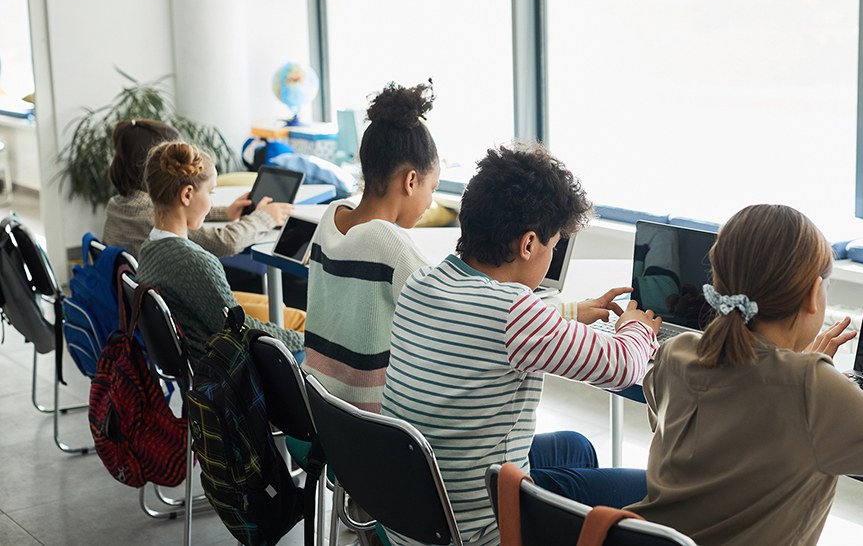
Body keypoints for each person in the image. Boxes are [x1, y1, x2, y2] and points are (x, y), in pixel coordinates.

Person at [626, 204, 863, 546]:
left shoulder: (677, 351)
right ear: (812, 295)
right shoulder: (809, 385)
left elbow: (679, 420)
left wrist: (794, 366)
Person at [380, 143, 662, 546]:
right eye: (553, 244)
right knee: (652, 492)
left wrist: (569, 311)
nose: (551, 254)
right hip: (483, 526)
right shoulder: (514, 312)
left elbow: (491, 324)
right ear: (528, 244)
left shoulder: (423, 282)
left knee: (575, 447)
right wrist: (638, 326)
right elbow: (623, 366)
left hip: (418, 511)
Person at [302, 82, 439, 412]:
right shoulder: (389, 244)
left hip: (318, 406)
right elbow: (450, 311)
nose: (431, 201)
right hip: (369, 424)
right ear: (410, 181)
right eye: (431, 188)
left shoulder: (329, 217)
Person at [135, 141, 304, 361]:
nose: (211, 202)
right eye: (210, 192)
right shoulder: (196, 262)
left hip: (201, 368)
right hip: (228, 374)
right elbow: (241, 330)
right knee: (305, 347)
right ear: (186, 195)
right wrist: (303, 341)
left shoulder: (149, 248)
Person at [103, 118, 293, 258]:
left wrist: (225, 213)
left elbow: (172, 207)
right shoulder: (149, 218)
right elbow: (225, 242)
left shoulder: (118, 204)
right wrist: (264, 218)